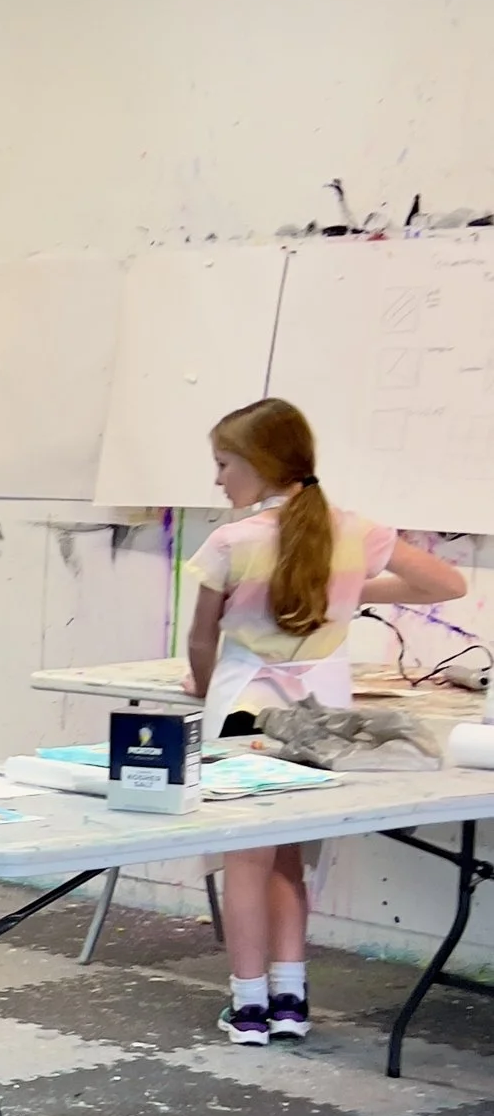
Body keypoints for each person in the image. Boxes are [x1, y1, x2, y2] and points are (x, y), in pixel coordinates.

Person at [184, 397, 464, 1045]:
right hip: (322, 709)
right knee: (290, 857)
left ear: (258, 464)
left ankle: (247, 1005)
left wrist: (203, 695)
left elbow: (201, 640)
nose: (219, 478)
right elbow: (441, 583)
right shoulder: (353, 530)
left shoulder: (230, 541)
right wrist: (338, 589)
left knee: (245, 858)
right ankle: (291, 1000)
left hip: (247, 704)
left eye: (224, 464)